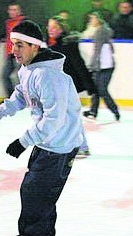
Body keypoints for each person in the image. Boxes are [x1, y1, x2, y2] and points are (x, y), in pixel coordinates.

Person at [0, 19, 83, 236]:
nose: (14, 50)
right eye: (13, 44)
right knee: (41, 192)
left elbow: (53, 119)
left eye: (20, 45)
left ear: (35, 47)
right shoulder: (29, 69)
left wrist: (23, 141)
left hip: (58, 144)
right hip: (50, 142)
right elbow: (21, 95)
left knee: (34, 193)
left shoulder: (48, 76)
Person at [48, 15, 94, 158]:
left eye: (54, 27)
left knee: (69, 117)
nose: (50, 30)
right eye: (49, 27)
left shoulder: (67, 45)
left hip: (68, 87)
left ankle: (82, 146)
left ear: (61, 29)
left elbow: (79, 65)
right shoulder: (54, 45)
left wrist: (90, 86)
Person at [83, 11, 120, 122]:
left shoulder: (101, 31)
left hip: (105, 65)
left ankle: (115, 110)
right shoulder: (103, 30)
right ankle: (93, 111)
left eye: (92, 19)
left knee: (102, 90)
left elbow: (97, 50)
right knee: (96, 89)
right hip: (104, 65)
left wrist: (92, 65)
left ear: (98, 19)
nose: (91, 21)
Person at [2, 3, 25, 97]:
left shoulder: (24, 22)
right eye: (11, 10)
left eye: (15, 10)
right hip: (10, 53)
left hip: (20, 53)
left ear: (19, 11)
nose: (12, 12)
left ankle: (24, 98)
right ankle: (13, 98)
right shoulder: (8, 23)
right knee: (5, 76)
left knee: (19, 77)